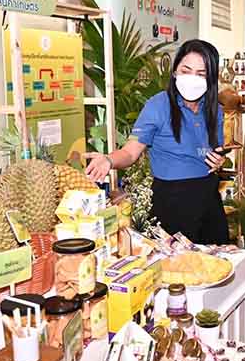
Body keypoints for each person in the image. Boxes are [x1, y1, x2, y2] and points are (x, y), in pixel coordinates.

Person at [84, 39, 228, 244]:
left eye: (201, 74)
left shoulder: (215, 110)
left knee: (218, 259)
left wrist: (219, 161)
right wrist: (109, 159)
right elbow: (130, 152)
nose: (192, 78)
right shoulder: (158, 105)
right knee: (176, 263)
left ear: (211, 78)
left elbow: (213, 151)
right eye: (186, 70)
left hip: (209, 198)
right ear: (175, 71)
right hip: (172, 201)